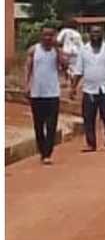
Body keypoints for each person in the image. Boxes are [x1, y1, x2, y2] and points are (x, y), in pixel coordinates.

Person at [72, 26, 105, 151]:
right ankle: (91, 143)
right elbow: (78, 71)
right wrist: (73, 87)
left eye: (98, 32)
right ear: (89, 34)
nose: (95, 35)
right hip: (89, 90)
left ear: (102, 34)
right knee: (88, 117)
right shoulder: (83, 50)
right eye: (93, 32)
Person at [26, 26, 67, 165]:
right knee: (38, 125)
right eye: (45, 35)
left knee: (51, 125)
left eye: (51, 35)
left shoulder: (56, 51)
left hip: (52, 93)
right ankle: (42, 149)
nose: (48, 38)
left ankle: (47, 153)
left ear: (54, 37)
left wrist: (59, 50)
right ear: (41, 36)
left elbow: (64, 65)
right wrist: (26, 85)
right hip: (36, 93)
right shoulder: (33, 50)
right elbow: (28, 69)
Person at [56, 19, 83, 89]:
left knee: (65, 67)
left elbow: (58, 41)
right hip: (76, 54)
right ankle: (73, 84)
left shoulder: (64, 31)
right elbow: (81, 46)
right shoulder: (78, 34)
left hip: (66, 52)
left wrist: (58, 48)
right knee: (73, 68)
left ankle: (68, 81)